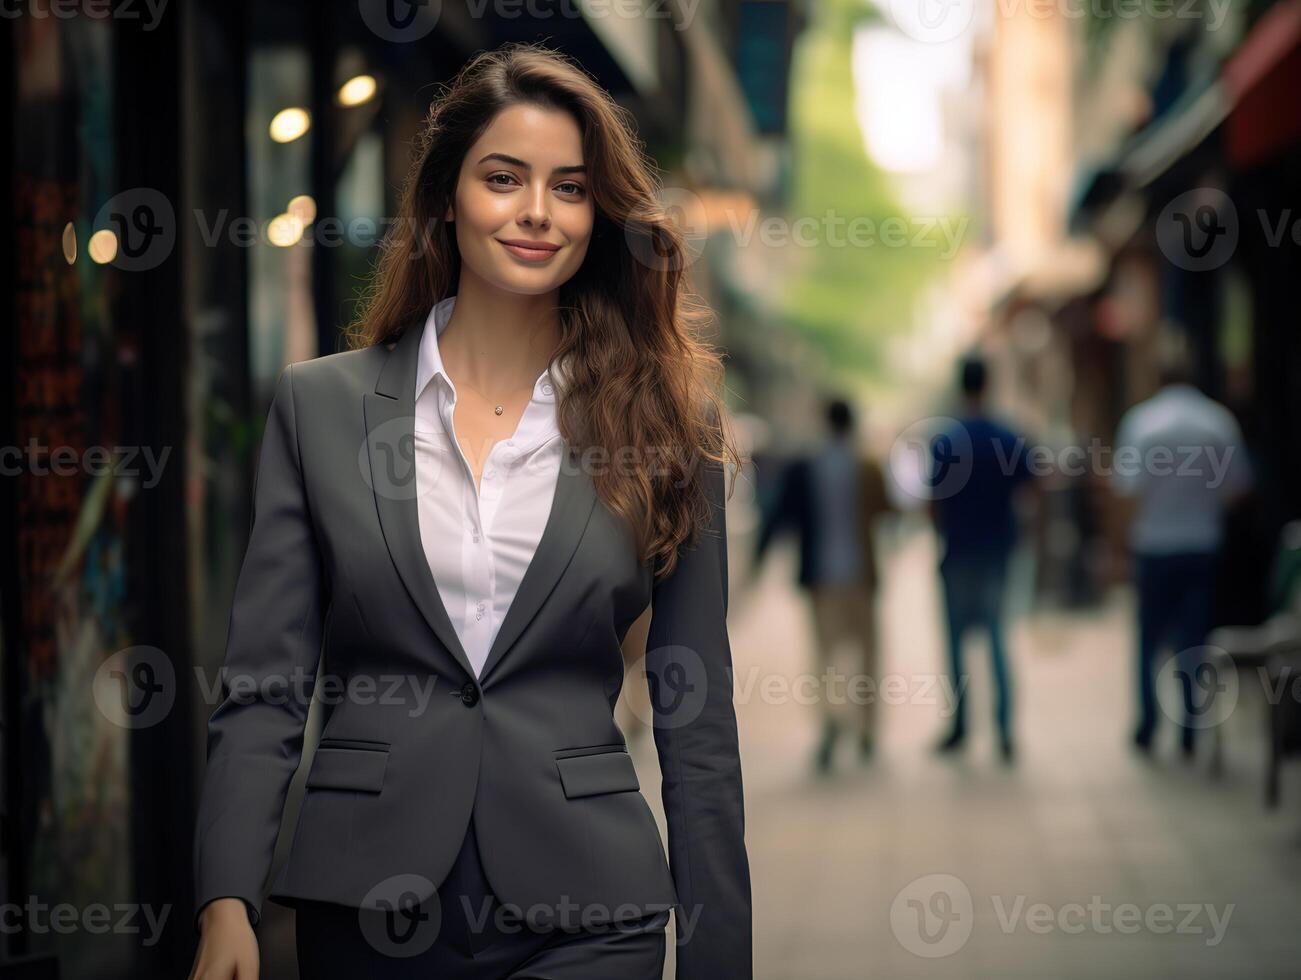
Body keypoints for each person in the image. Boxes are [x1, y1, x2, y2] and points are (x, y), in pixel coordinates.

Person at [188, 43, 752, 980]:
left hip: (589, 913)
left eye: (570, 188)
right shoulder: (319, 407)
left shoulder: (664, 424)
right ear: (447, 198)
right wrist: (225, 901)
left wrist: (719, 955)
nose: (537, 211)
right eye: (503, 178)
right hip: (366, 903)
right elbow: (265, 686)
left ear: (596, 214)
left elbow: (698, 721)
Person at [1112, 337, 1252, 759]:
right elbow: (1239, 488)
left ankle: (1148, 725)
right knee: (1194, 639)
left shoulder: (1142, 423)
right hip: (1200, 544)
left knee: (1148, 641)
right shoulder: (1217, 422)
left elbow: (1126, 490)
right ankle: (1191, 726)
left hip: (1154, 544)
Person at [751, 398, 895, 773]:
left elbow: (779, 515)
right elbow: (889, 510)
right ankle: (865, 729)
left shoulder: (806, 466)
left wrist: (757, 563)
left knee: (826, 658)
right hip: (861, 577)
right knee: (866, 656)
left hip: (820, 578)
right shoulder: (867, 466)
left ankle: (832, 724)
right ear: (852, 424)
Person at [928, 356, 1034, 763]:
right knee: (996, 639)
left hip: (957, 551)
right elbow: (1031, 494)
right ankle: (1004, 730)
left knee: (955, 644)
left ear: (961, 387)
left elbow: (933, 502)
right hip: (998, 551)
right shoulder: (1008, 437)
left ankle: (960, 728)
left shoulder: (946, 441)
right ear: (988, 385)